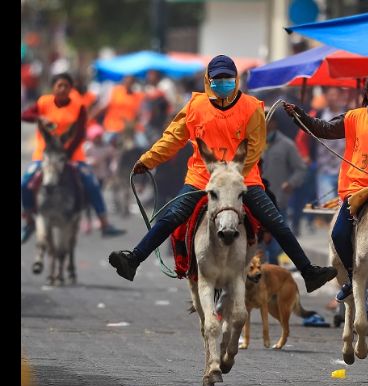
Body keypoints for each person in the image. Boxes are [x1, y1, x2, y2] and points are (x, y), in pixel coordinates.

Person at [107, 55, 336, 293]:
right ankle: (134, 259)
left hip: (242, 178)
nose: (223, 82)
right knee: (172, 216)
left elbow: (255, 148)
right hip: (201, 178)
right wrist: (148, 160)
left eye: (227, 77)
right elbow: (173, 138)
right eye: (218, 78)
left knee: (275, 221)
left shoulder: (252, 107)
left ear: (235, 79)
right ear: (208, 80)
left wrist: (232, 177)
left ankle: (308, 272)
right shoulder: (195, 106)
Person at [283, 71, 368, 301]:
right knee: (339, 235)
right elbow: (324, 129)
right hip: (358, 189)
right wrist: (300, 116)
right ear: (367, 95)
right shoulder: (354, 117)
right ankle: (352, 277)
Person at [21, 72, 125, 243]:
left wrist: (67, 155)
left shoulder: (79, 106)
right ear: (53, 88)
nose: (62, 89)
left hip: (72, 155)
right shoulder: (43, 102)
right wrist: (40, 117)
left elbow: (80, 134)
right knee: (25, 183)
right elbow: (25, 115)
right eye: (59, 85)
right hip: (44, 155)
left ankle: (104, 223)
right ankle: (29, 221)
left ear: (71, 89)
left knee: (91, 182)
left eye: (66, 86)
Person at [260, 117, 308, 263]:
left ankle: (273, 269)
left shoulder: (287, 144)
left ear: (274, 122)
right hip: (256, 203)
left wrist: (291, 183)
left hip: (278, 202)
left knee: (276, 246)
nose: (263, 122)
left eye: (267, 118)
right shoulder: (252, 143)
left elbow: (301, 169)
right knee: (259, 247)